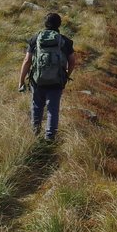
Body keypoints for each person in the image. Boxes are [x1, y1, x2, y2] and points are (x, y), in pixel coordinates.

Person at [18, 12, 76, 142]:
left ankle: (36, 135)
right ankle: (50, 139)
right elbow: (72, 61)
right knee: (52, 110)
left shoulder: (35, 39)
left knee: (36, 107)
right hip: (56, 82)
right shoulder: (65, 41)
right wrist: (66, 76)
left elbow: (27, 60)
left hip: (37, 81)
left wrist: (21, 81)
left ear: (45, 24)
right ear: (59, 25)